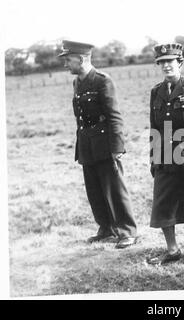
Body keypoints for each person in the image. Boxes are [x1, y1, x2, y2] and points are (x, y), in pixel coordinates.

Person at [58, 40, 138, 249]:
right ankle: (106, 228)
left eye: (68, 59)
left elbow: (114, 116)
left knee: (115, 189)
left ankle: (127, 231)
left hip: (104, 143)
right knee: (94, 190)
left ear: (82, 59)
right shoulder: (77, 82)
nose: (65, 64)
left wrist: (117, 147)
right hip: (86, 143)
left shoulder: (103, 81)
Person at [147, 43, 184, 268]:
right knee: (162, 205)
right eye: (161, 63)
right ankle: (172, 250)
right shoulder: (156, 91)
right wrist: (153, 158)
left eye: (170, 62)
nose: (165, 66)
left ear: (179, 63)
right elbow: (154, 128)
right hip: (164, 157)